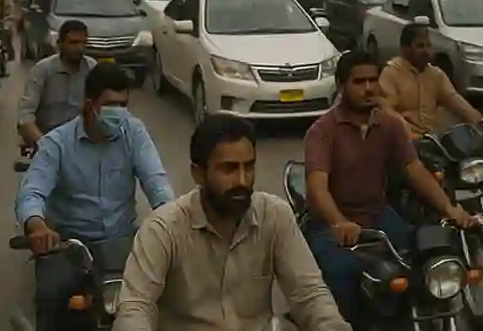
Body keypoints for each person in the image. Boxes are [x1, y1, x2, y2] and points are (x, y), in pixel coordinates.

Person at [114, 113, 350, 331]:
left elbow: (309, 294)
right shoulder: (163, 229)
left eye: (248, 167)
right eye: (228, 169)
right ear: (198, 173)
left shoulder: (275, 216)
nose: (242, 180)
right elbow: (136, 307)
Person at [303, 50, 474, 324]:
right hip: (331, 225)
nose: (369, 88)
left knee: (425, 259)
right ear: (341, 85)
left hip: (379, 215)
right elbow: (316, 187)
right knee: (341, 274)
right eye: (359, 82)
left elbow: (414, 170)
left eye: (373, 80)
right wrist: (339, 222)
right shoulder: (322, 131)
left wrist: (449, 208)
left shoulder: (390, 124)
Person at [15, 63, 174, 331]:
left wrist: (172, 218)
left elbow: (156, 181)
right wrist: (37, 226)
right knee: (51, 297)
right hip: (69, 246)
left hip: (123, 244)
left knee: (168, 297)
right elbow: (32, 192)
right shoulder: (57, 143)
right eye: (112, 105)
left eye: (124, 105)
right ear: (90, 105)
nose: (120, 113)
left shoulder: (133, 133)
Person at [378, 21, 483, 138]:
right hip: (402, 142)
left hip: (431, 139)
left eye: (428, 45)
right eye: (420, 46)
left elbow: (454, 100)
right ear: (405, 49)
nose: (426, 51)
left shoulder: (435, 74)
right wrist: (407, 133)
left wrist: (480, 123)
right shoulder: (391, 73)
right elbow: (387, 110)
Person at [16, 20, 97, 149]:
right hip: (47, 139)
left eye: (83, 43)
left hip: (82, 142)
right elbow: (26, 115)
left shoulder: (93, 69)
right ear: (59, 44)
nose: (79, 48)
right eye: (73, 42)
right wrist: (44, 143)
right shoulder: (42, 70)